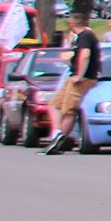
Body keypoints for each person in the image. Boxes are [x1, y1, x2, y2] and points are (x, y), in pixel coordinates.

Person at [43, 11, 101, 154]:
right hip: (72, 76)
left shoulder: (86, 36)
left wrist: (80, 75)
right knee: (54, 104)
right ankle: (57, 132)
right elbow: (73, 58)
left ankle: (58, 143)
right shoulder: (79, 37)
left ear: (70, 24)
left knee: (69, 111)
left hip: (83, 79)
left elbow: (85, 56)